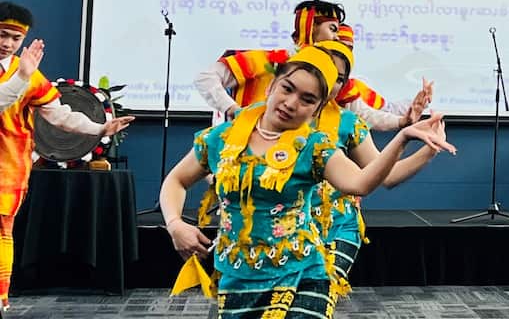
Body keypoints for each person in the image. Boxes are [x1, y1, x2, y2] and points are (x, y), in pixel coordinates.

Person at [161, 46, 451, 317]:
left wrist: (405, 140)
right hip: (237, 276)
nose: (291, 103)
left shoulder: (314, 146)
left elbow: (362, 182)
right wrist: (175, 224)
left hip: (303, 270)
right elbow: (176, 180)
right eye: (287, 89)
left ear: (318, 107)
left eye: (308, 99)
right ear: (273, 85)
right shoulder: (221, 138)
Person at [0, 2, 133, 313]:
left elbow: (59, 115)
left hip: (8, 169)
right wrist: (21, 76)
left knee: (2, 230)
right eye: (2, 35)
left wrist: (100, 127)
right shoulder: (24, 73)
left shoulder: (28, 74)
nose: (7, 44)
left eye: (15, 39)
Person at [308, 40, 440, 294]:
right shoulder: (260, 119)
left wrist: (429, 152)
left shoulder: (347, 122)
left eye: (340, 78)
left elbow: (385, 177)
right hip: (279, 233)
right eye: (324, 69)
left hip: (338, 226)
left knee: (317, 298)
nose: (331, 81)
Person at [193, 0, 345, 121]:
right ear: (311, 26)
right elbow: (205, 78)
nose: (337, 37)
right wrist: (233, 110)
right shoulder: (267, 60)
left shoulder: (332, 77)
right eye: (332, 29)